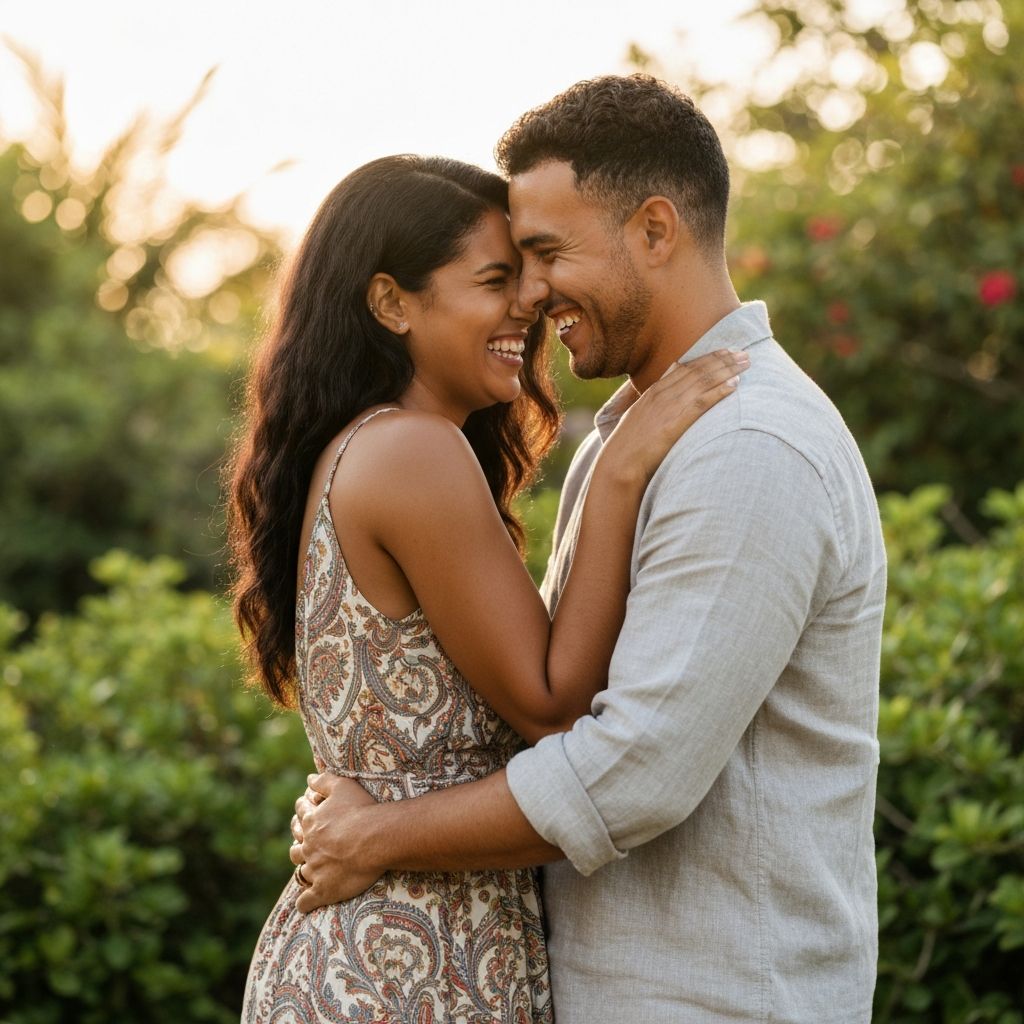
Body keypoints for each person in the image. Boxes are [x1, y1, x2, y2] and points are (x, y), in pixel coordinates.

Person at [289, 75, 887, 1024]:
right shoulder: (630, 435)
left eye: (545, 253)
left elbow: (630, 770)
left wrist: (377, 835)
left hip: (715, 999)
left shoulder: (748, 446)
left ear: (655, 231)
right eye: (508, 268)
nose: (531, 292)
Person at [227, 153, 748, 1023]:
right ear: (392, 302)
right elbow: (550, 703)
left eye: (534, 273)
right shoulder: (411, 450)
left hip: (405, 949)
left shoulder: (376, 446)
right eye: (497, 278)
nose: (532, 302)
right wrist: (622, 470)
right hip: (397, 969)